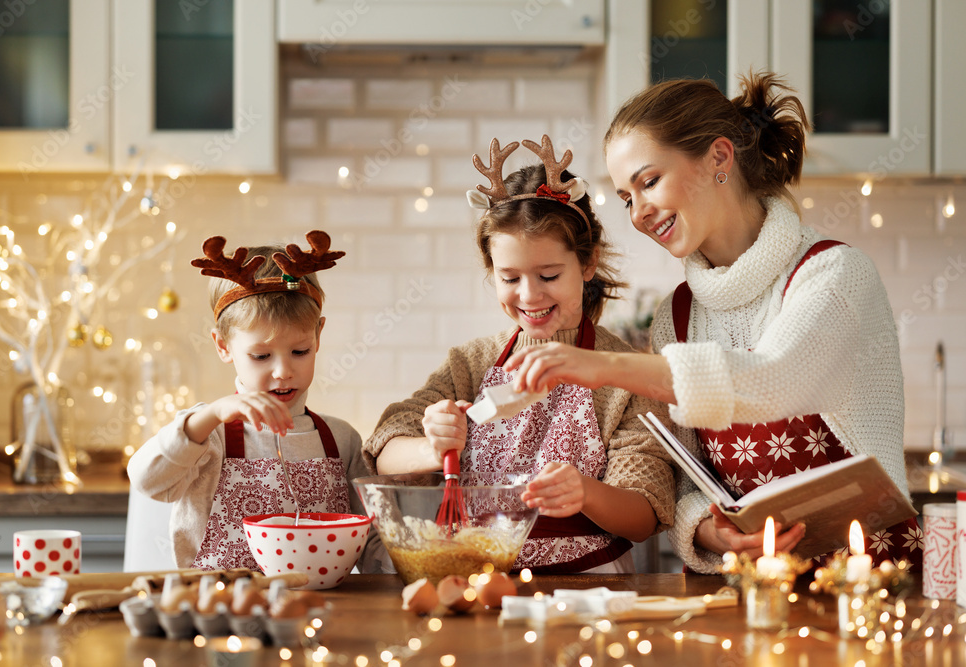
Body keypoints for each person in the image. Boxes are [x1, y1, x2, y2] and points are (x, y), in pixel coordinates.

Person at [505, 73, 922, 573]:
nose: (638, 213)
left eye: (649, 181)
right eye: (625, 197)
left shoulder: (834, 274)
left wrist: (600, 366)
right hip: (746, 591)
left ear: (719, 158)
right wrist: (709, 530)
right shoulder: (676, 317)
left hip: (866, 587)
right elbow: (689, 479)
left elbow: (770, 378)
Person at [363, 135, 677, 574]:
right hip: (474, 575)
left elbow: (644, 514)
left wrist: (585, 492)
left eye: (548, 274)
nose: (529, 295)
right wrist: (432, 446)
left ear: (588, 264)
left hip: (588, 585)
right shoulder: (470, 365)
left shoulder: (623, 374)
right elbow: (384, 450)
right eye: (509, 278)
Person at [127, 232, 387, 572]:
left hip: (319, 611)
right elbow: (147, 480)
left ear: (318, 336)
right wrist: (212, 415)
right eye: (261, 355)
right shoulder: (208, 434)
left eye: (299, 351)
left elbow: (371, 539)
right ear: (223, 346)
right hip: (221, 610)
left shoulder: (342, 440)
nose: (282, 371)